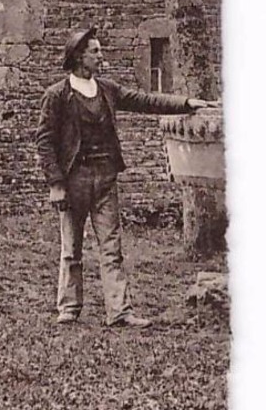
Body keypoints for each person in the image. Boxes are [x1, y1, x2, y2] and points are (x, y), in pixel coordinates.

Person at [35, 27, 206, 328]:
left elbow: (145, 101)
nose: (101, 57)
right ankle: (69, 308)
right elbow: (45, 141)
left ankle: (120, 311)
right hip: (74, 181)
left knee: (111, 248)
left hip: (105, 179)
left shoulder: (107, 90)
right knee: (71, 248)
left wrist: (185, 104)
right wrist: (56, 184)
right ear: (78, 57)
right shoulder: (57, 95)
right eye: (95, 52)